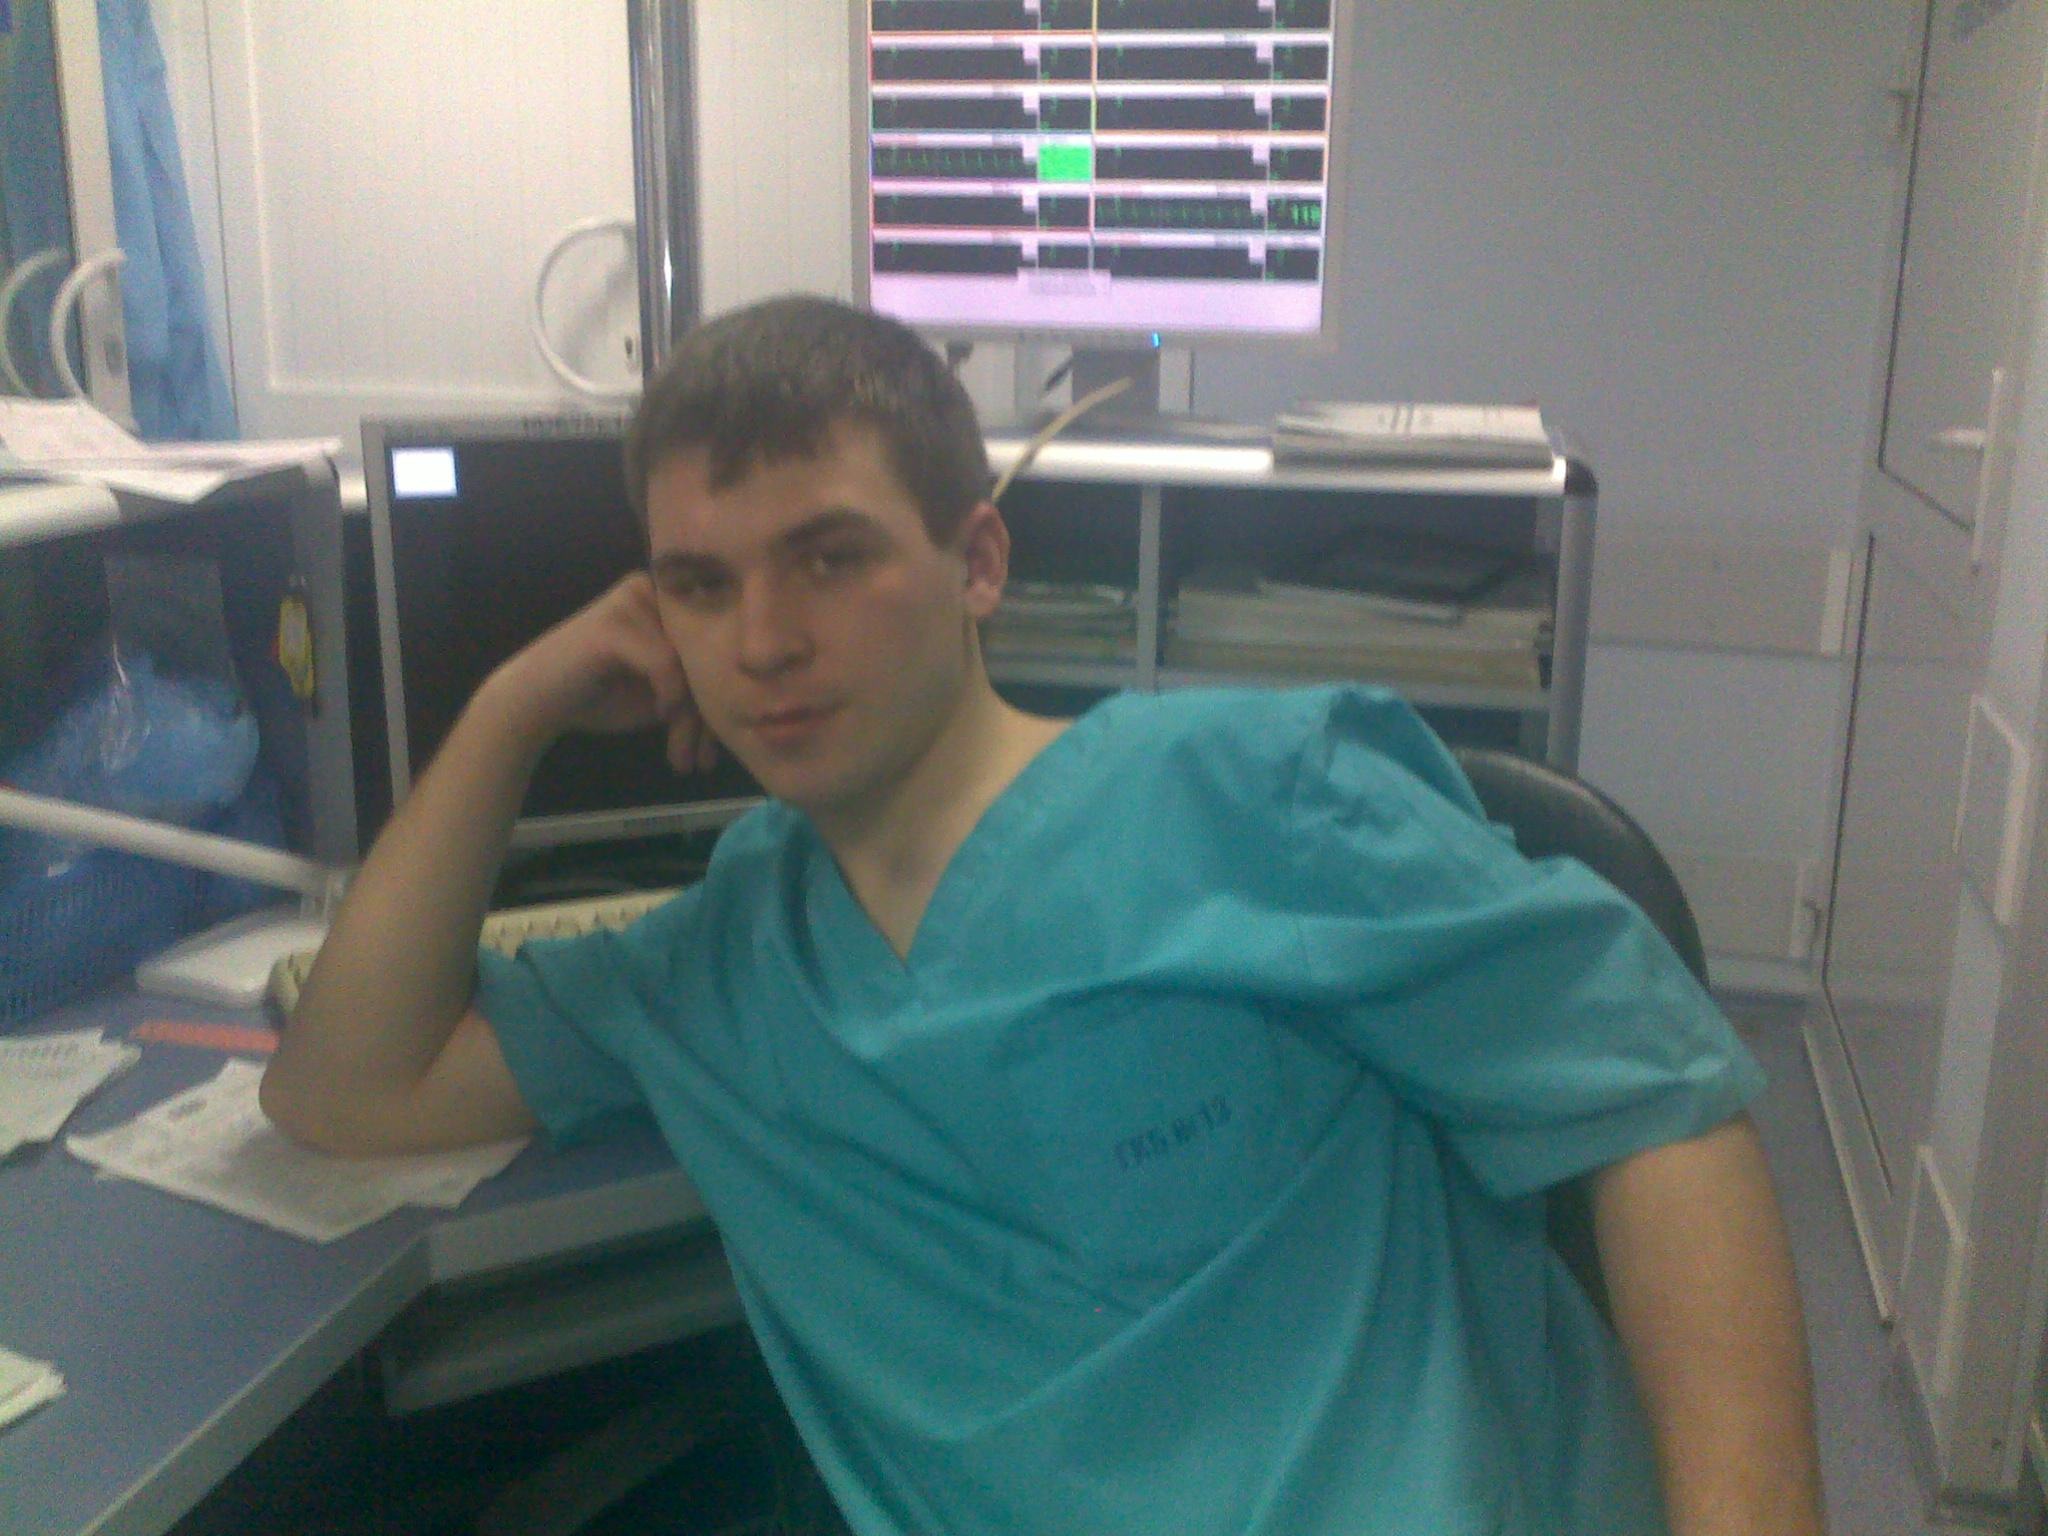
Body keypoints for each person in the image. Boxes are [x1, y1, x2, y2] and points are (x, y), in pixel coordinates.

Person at [261, 295, 1825, 1536]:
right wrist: (511, 712)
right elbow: (348, 1090)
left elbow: (1659, 1101)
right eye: (699, 585)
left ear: (979, 564)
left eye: (830, 558)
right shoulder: (720, 963)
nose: (765, 639)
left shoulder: (1250, 792)